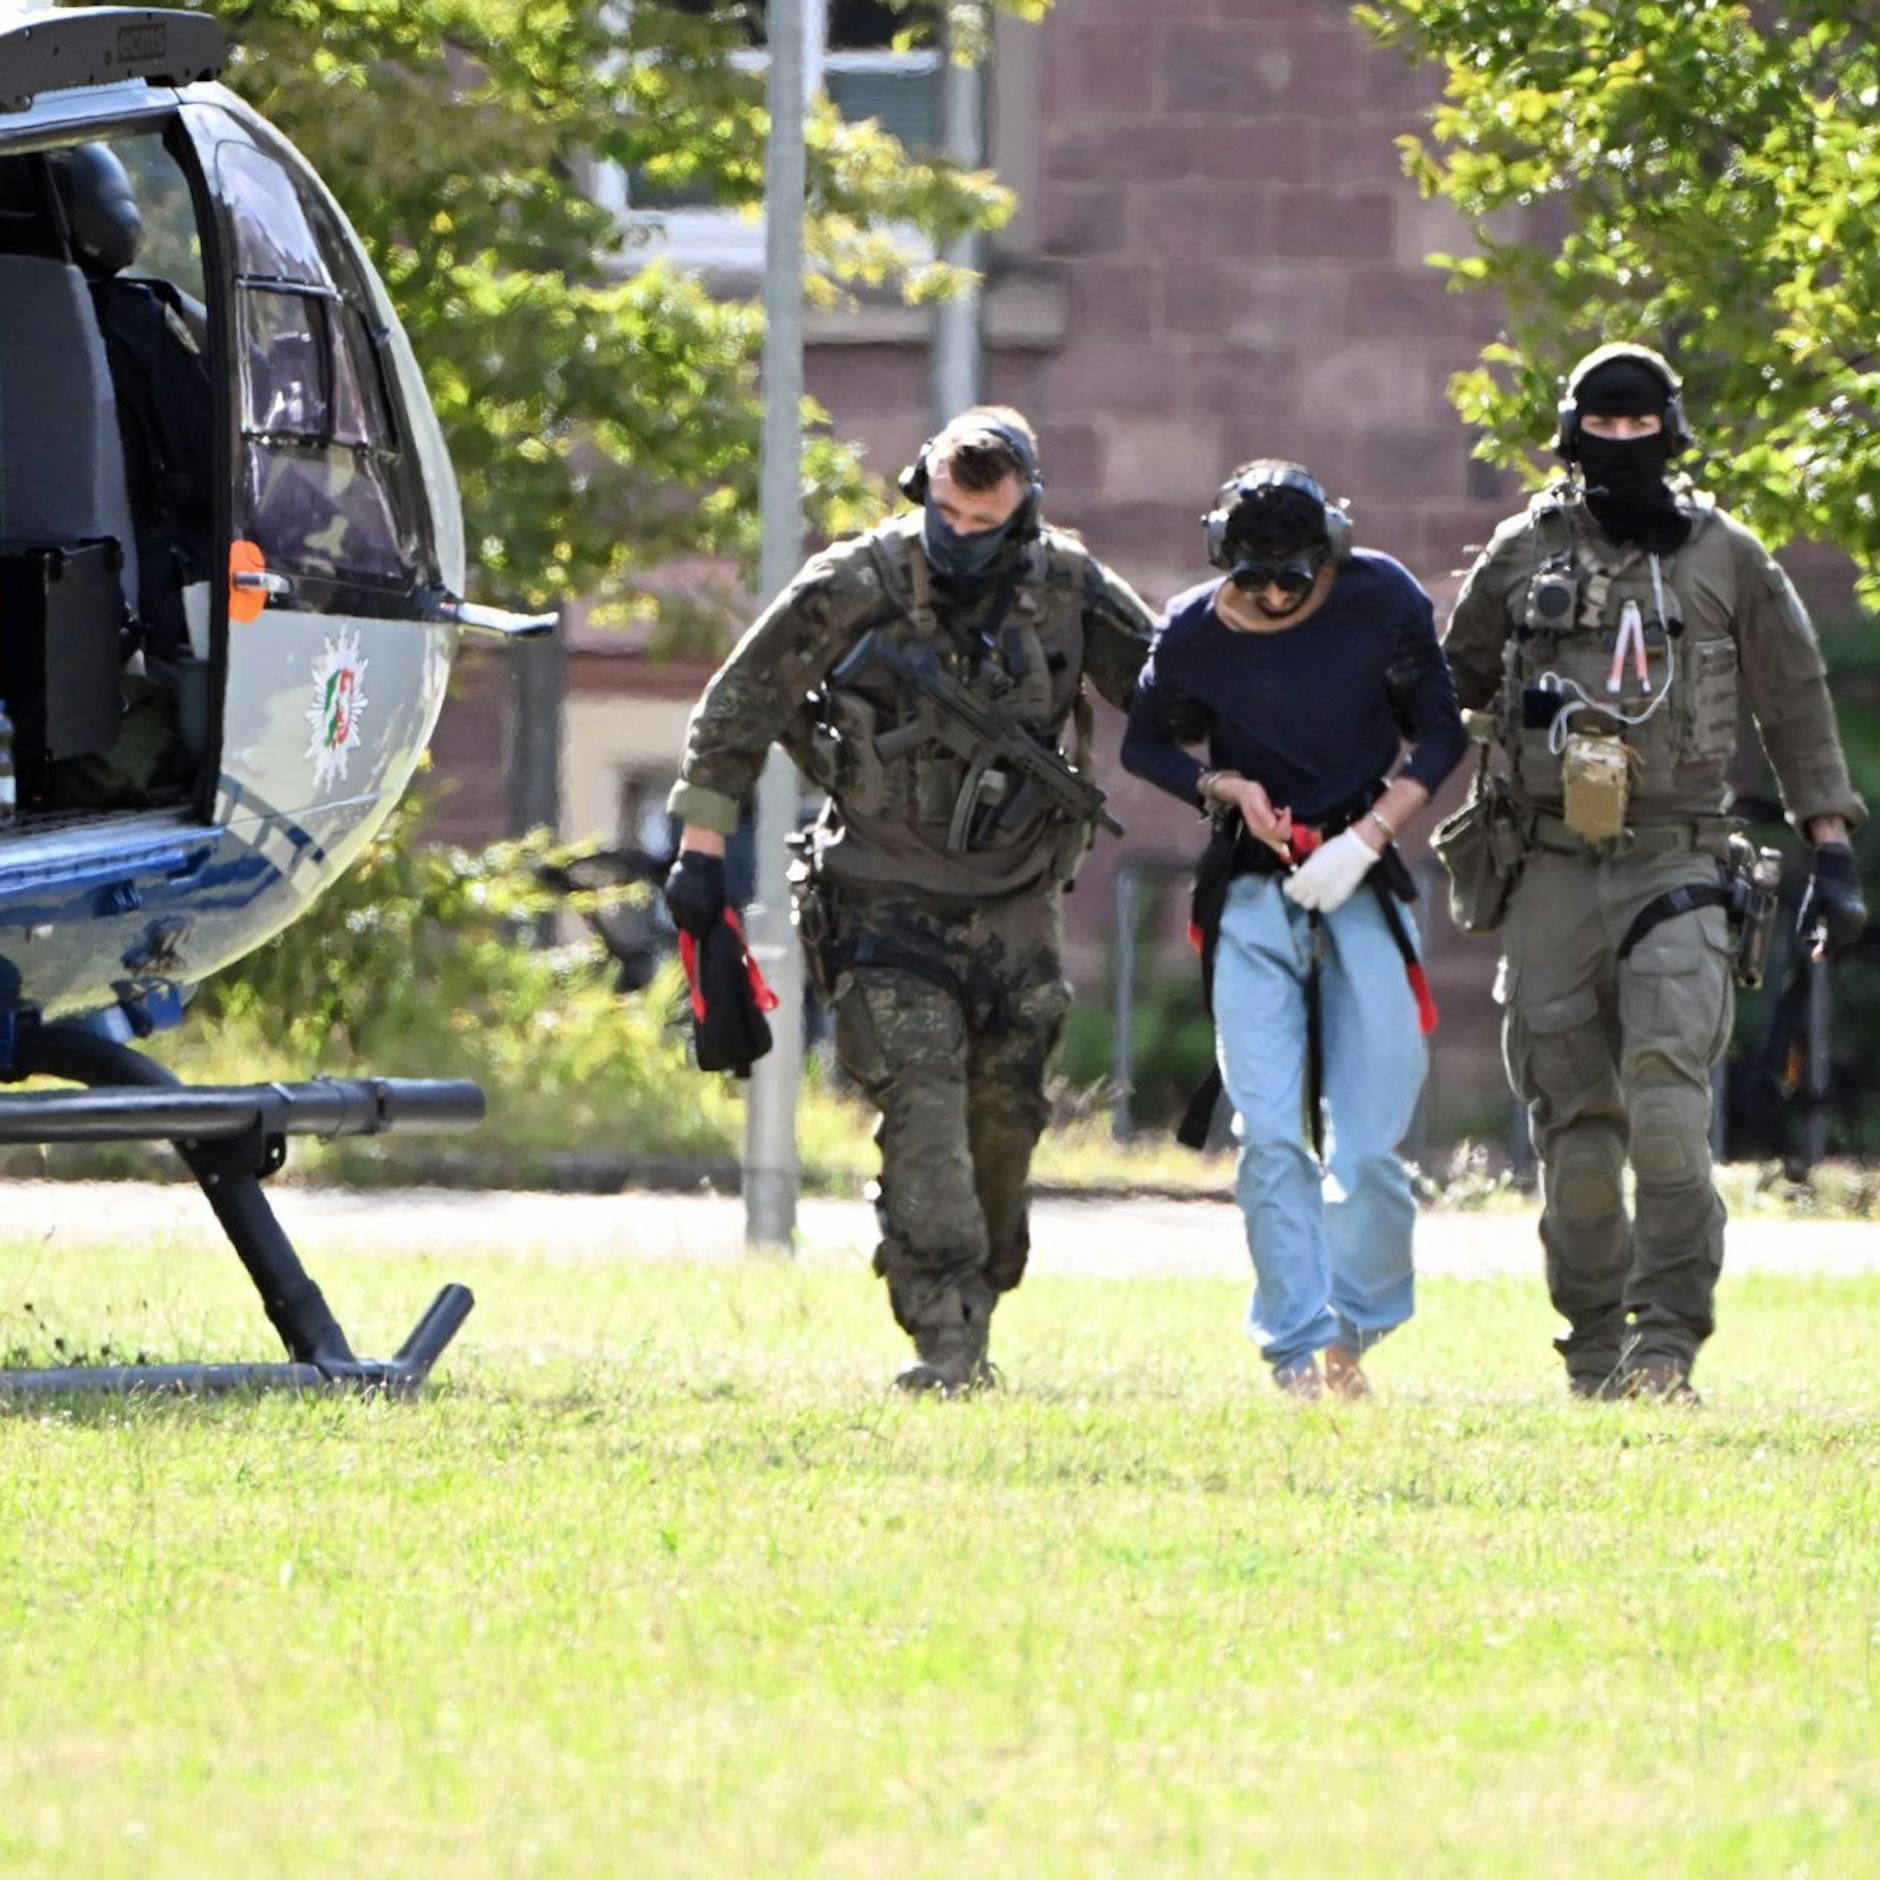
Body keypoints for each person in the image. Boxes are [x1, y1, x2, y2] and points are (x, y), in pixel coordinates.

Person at [663, 407, 1155, 1393]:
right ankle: (946, 1337)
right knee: (921, 1109)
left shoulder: (1067, 590)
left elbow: (1169, 692)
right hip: (882, 900)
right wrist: (699, 853)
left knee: (1001, 1127)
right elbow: (737, 706)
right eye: (944, 513)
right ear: (921, 489)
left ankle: (977, 1287)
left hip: (1016, 907)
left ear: (1023, 507)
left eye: (983, 519)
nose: (959, 535)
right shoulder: (855, 585)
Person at [1442, 342, 1867, 1402]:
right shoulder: (1519, 551)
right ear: (1569, 435)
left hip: (1676, 857)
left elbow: (1794, 701)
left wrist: (1829, 844)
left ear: (1668, 432)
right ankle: (1594, 1353)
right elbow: (1440, 684)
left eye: (1639, 427)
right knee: (1575, 1142)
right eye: (1602, 427)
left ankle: (1665, 1341)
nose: (1620, 444)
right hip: (1544, 863)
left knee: (1671, 1120)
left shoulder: (1725, 556)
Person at [1122, 461, 1466, 1400]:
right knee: (1271, 1134)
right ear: (1221, 560)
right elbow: (1144, 742)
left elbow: (1442, 734)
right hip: (1250, 889)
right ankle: (1292, 1350)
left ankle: (1354, 1333)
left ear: (1332, 554)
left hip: (1359, 875)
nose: (1274, 594)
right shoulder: (1192, 627)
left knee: (1368, 1145)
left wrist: (1366, 839)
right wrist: (1223, 787)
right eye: (1252, 576)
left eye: (1295, 575)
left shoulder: (1378, 596)